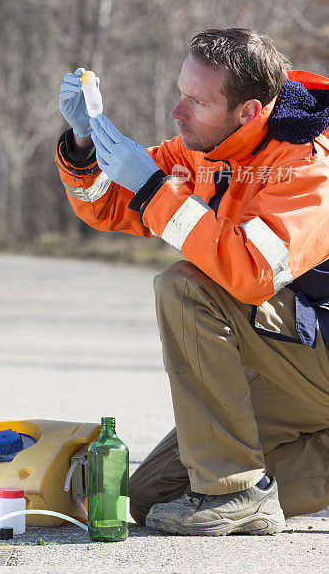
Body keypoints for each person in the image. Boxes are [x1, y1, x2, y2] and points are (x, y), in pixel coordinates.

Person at [56, 28, 329, 536]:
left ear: (247, 111)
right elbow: (109, 205)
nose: (176, 113)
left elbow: (251, 274)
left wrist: (155, 191)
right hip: (292, 359)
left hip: (317, 353)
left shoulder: (308, 166)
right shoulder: (206, 146)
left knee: (186, 285)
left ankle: (235, 491)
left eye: (196, 101)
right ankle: (238, 490)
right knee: (149, 498)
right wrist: (83, 143)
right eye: (180, 93)